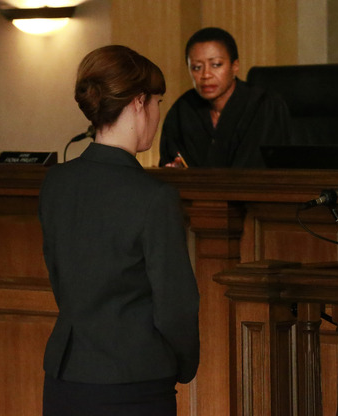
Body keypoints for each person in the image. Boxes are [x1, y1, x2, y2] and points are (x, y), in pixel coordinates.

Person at [39, 45, 200, 416]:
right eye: (158, 102)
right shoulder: (154, 197)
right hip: (134, 382)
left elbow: (60, 278)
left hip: (65, 377)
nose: (158, 114)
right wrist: (182, 364)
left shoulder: (56, 182)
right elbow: (176, 305)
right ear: (139, 102)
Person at [159, 26, 292, 167]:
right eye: (197, 67)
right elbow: (168, 162)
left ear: (235, 66)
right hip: (193, 189)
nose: (206, 75)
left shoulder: (264, 105)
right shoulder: (182, 110)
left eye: (216, 65)